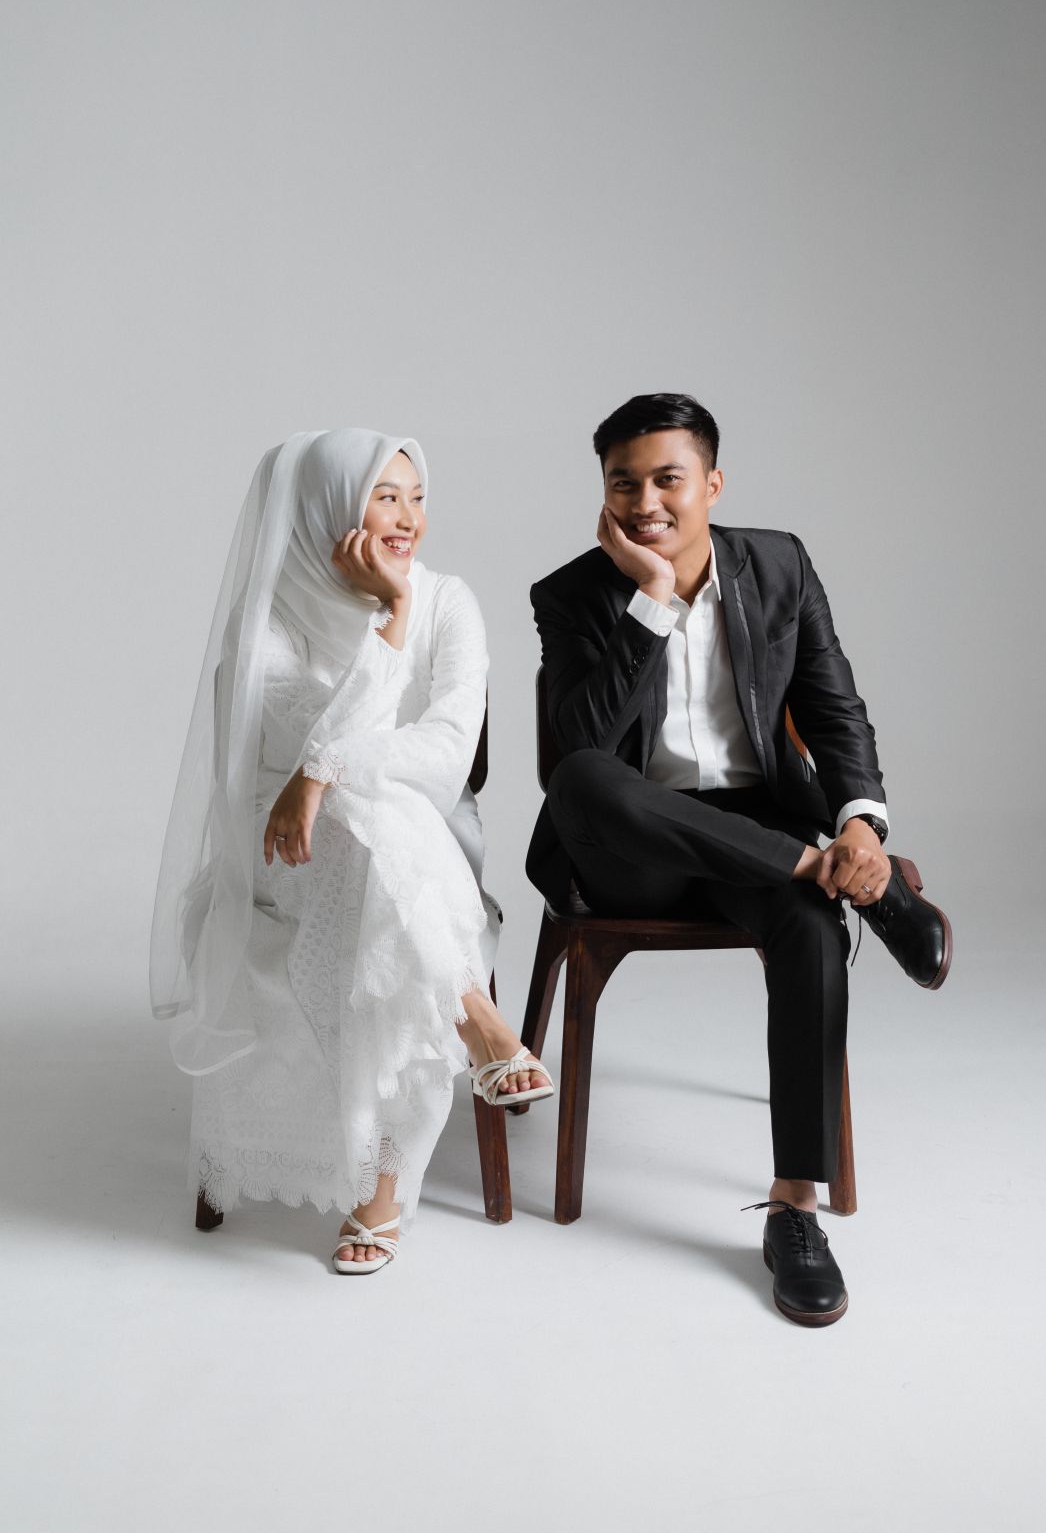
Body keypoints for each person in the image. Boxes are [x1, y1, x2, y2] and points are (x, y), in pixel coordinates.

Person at [526, 393, 951, 1327]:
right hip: (634, 846)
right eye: (623, 483)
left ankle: (794, 1209)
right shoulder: (569, 594)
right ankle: (840, 881)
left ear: (711, 484)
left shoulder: (779, 564)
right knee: (584, 778)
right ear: (603, 493)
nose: (645, 502)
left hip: (758, 827)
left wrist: (861, 828)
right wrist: (649, 597)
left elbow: (832, 708)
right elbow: (578, 750)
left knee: (809, 931)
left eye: (667, 479)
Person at [151, 428, 552, 1275]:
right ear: (327, 507)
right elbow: (294, 741)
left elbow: (444, 757)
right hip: (279, 844)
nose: (406, 518)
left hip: (409, 832)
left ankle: (380, 1182)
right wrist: (390, 619)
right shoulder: (269, 614)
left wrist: (324, 770)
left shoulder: (450, 601)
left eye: (415, 497)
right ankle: (473, 1022)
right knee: (350, 819)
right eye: (383, 497)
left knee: (368, 821)